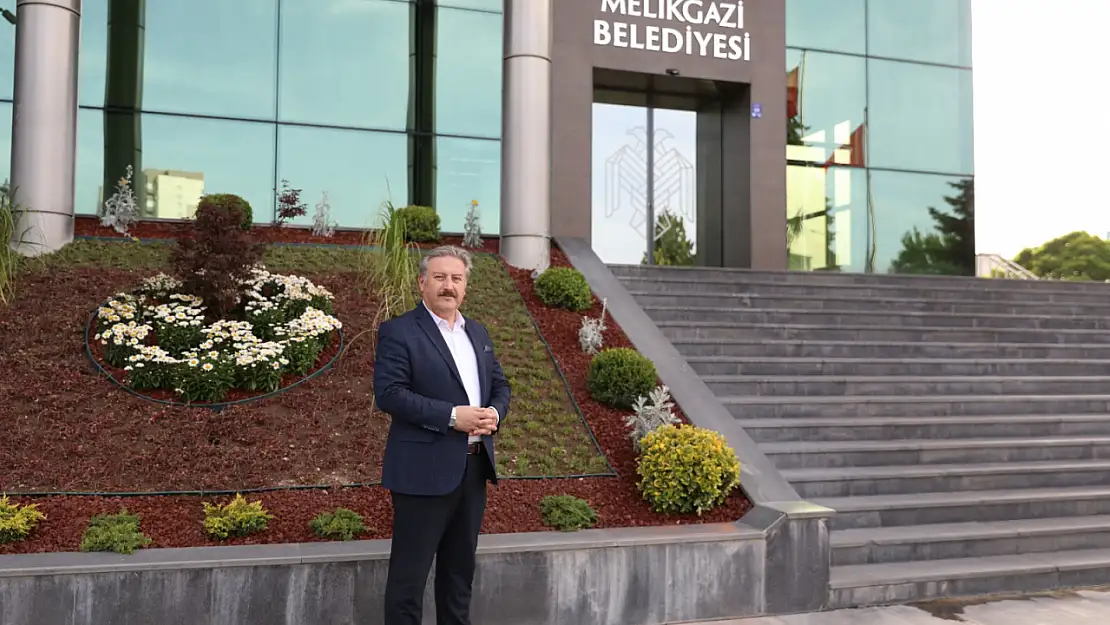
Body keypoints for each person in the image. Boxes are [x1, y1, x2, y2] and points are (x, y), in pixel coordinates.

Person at [374, 244, 512, 625]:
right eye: (439, 277)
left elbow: (500, 385)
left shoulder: (477, 333)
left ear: (465, 286)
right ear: (422, 283)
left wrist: (494, 414)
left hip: (473, 472)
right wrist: (452, 417)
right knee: (408, 582)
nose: (448, 285)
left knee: (458, 579)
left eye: (456, 278)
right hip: (422, 474)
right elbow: (390, 394)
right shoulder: (399, 331)